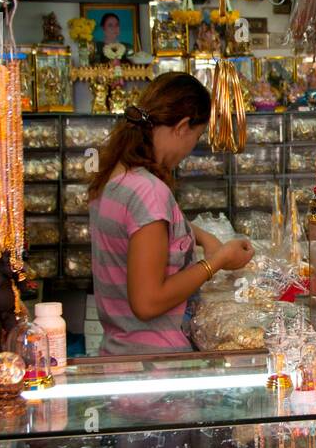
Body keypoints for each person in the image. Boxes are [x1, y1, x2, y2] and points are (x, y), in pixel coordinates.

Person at [88, 72, 253, 355]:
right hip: (155, 363)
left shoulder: (114, 177)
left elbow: (144, 227)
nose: (190, 149)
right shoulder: (149, 193)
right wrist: (217, 261)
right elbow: (147, 303)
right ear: (182, 126)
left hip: (120, 352)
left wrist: (202, 236)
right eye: (196, 137)